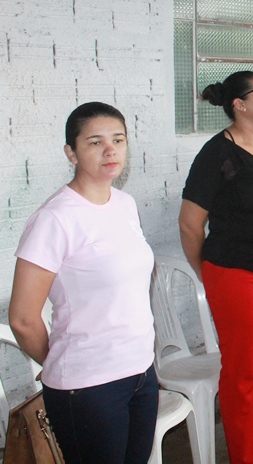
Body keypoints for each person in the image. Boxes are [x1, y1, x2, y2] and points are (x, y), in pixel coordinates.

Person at [8, 102, 158, 463]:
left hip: (140, 372)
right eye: (95, 142)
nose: (110, 150)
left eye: (118, 140)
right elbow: (23, 318)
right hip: (88, 385)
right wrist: (59, 361)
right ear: (70, 153)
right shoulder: (55, 219)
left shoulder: (124, 203)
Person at [179, 71, 253, 464]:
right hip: (237, 275)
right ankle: (245, 456)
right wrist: (207, 274)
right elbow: (190, 222)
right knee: (241, 373)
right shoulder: (217, 154)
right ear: (239, 104)